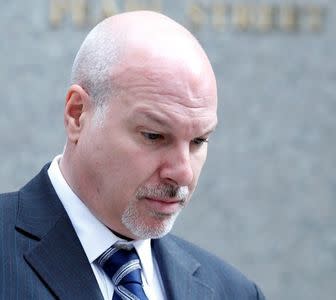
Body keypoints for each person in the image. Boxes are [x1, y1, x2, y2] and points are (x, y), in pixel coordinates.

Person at [0, 11, 265, 300]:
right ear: (78, 115)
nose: (183, 173)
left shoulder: (234, 292)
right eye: (154, 136)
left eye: (198, 141)